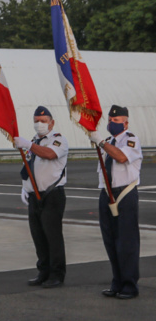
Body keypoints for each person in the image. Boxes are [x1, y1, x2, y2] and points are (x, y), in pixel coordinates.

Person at [89, 104, 142, 299]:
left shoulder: (130, 140)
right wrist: (103, 143)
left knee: (126, 242)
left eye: (116, 121)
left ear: (126, 123)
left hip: (124, 194)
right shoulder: (109, 141)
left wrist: (101, 143)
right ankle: (117, 282)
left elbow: (120, 157)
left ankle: (129, 285)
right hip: (106, 193)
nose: (112, 123)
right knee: (110, 240)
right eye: (110, 121)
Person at [13, 106, 68, 288]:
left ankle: (56, 274)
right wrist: (25, 187)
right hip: (33, 195)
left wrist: (29, 146)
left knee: (52, 236)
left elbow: (50, 155)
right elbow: (28, 165)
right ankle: (43, 271)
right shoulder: (33, 141)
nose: (39, 124)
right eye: (36, 121)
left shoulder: (58, 140)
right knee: (38, 236)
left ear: (51, 122)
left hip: (52, 195)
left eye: (43, 121)